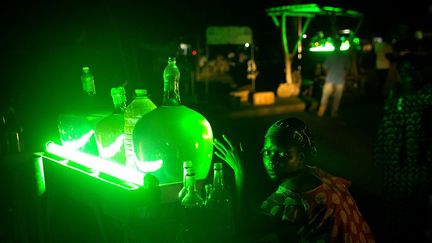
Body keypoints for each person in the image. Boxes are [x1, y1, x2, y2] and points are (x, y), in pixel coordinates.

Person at [214, 117, 376, 242]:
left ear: (301, 158)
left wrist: (240, 173)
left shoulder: (292, 195)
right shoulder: (319, 175)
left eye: (283, 154)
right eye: (267, 152)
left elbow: (244, 233)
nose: (272, 160)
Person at [373, 36, 432, 243]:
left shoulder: (426, 97)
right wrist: (380, 156)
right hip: (392, 166)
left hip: (417, 164)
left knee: (416, 211)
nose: (408, 73)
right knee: (394, 212)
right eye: (403, 69)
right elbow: (383, 131)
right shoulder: (393, 98)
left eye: (413, 69)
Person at [317, 39, 351, 118]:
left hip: (330, 79)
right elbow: (347, 68)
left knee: (325, 96)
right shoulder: (344, 55)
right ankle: (334, 112)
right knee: (337, 98)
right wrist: (344, 76)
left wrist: (328, 74)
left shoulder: (330, 55)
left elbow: (325, 68)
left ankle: (321, 111)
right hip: (340, 80)